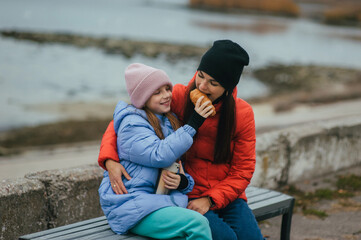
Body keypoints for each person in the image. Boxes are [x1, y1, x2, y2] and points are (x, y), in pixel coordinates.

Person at [99, 40, 265, 240]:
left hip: (226, 195)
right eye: (200, 76)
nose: (202, 86)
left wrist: (211, 200)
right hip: (188, 193)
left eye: (213, 83)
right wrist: (110, 159)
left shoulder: (242, 114)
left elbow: (243, 170)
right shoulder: (178, 96)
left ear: (228, 89)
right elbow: (126, 119)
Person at [98, 63, 213, 239]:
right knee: (197, 224)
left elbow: (175, 168)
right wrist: (194, 123)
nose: (167, 95)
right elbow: (159, 154)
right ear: (143, 98)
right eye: (157, 92)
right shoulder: (132, 124)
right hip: (130, 206)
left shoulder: (168, 121)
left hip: (154, 202)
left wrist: (182, 182)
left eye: (167, 89)